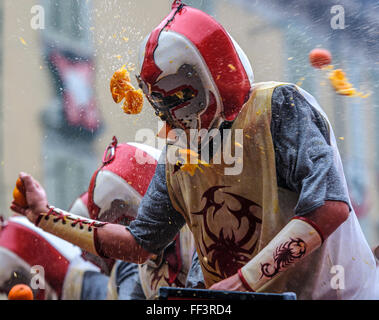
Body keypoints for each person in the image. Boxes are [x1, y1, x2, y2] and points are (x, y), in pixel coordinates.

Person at [11, 1, 378, 299]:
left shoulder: (280, 107)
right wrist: (44, 216)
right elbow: (140, 244)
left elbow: (329, 205)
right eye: (159, 106)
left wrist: (244, 281)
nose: (172, 120)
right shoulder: (177, 158)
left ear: (216, 79)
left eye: (181, 99)